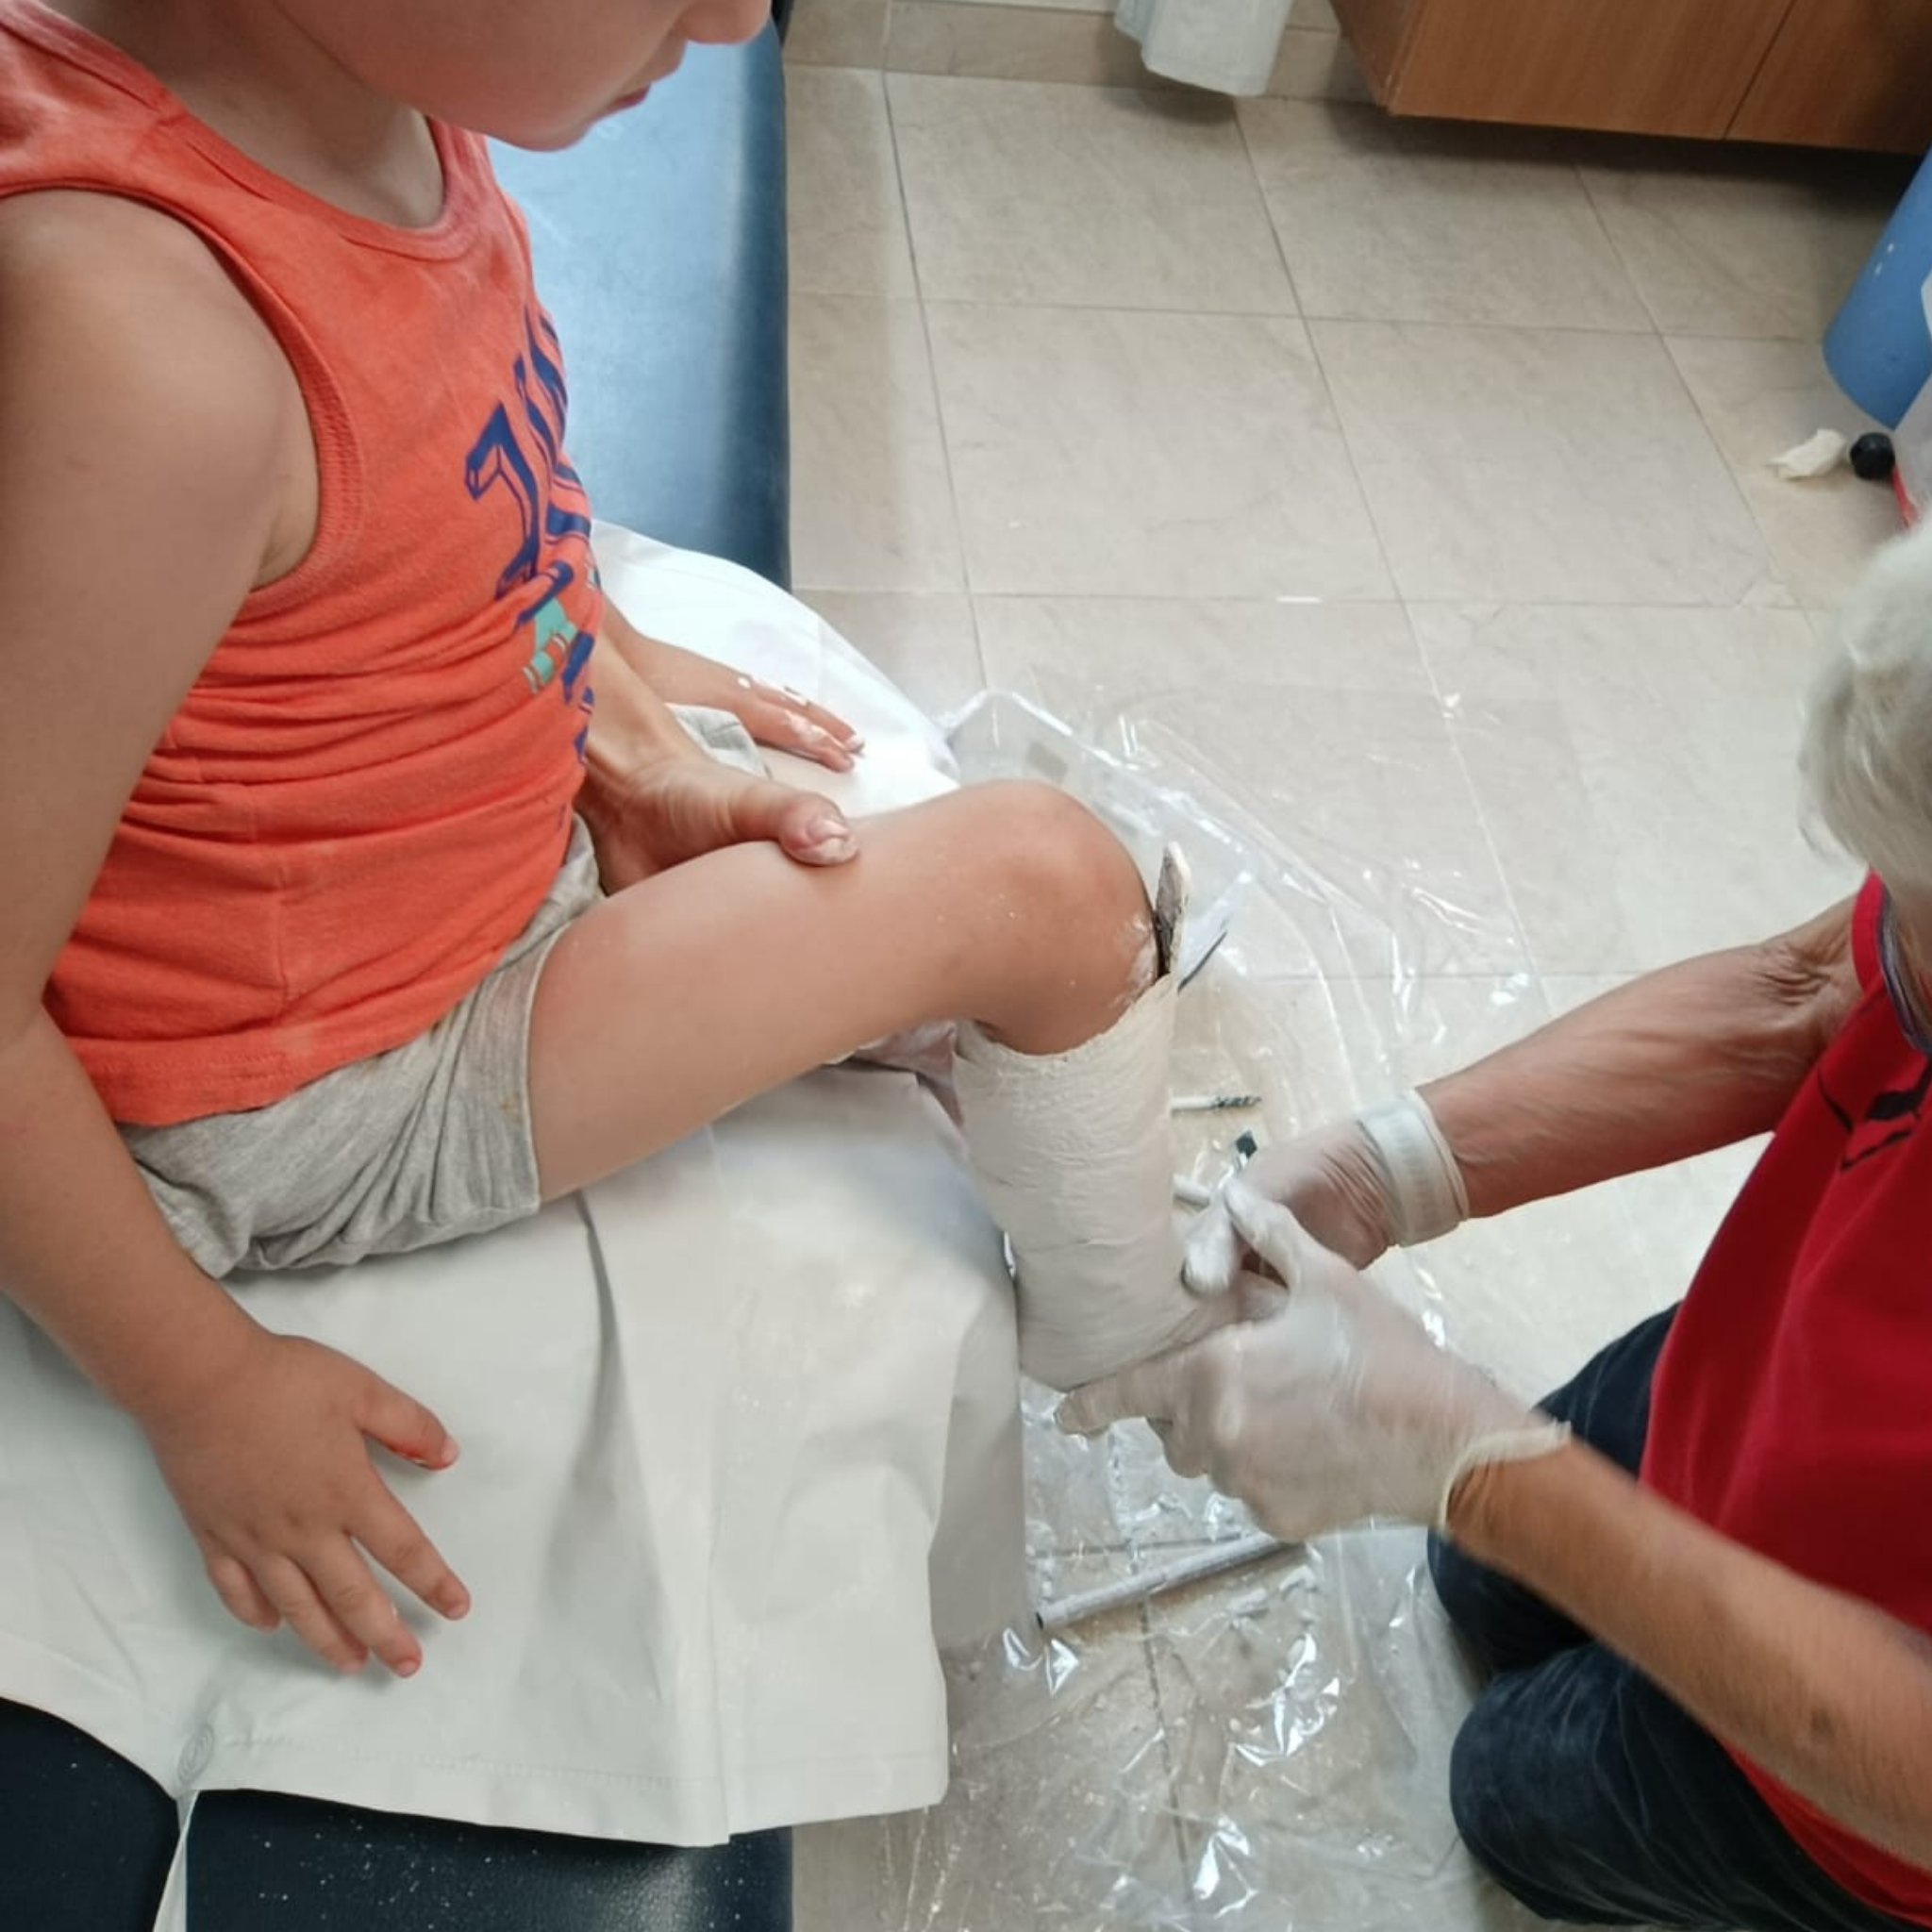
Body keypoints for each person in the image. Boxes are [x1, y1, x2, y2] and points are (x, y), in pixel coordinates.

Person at [0, 0, 1210, 1704]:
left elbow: (450, 437)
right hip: (337, 1083)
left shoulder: (362, 85)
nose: (733, 17)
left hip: (460, 846)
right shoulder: (148, 352)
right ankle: (1146, 1348)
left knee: (952, 864)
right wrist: (198, 1384)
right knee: (1049, 888)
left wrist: (601, 694)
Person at [1064, 520, 1932, 1932]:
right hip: (1769, 1375)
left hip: (1877, 1768)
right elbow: (1807, 992)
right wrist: (1381, 1170)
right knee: (1483, 1580)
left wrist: (1477, 1465)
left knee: (1508, 1790)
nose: (1900, 957)